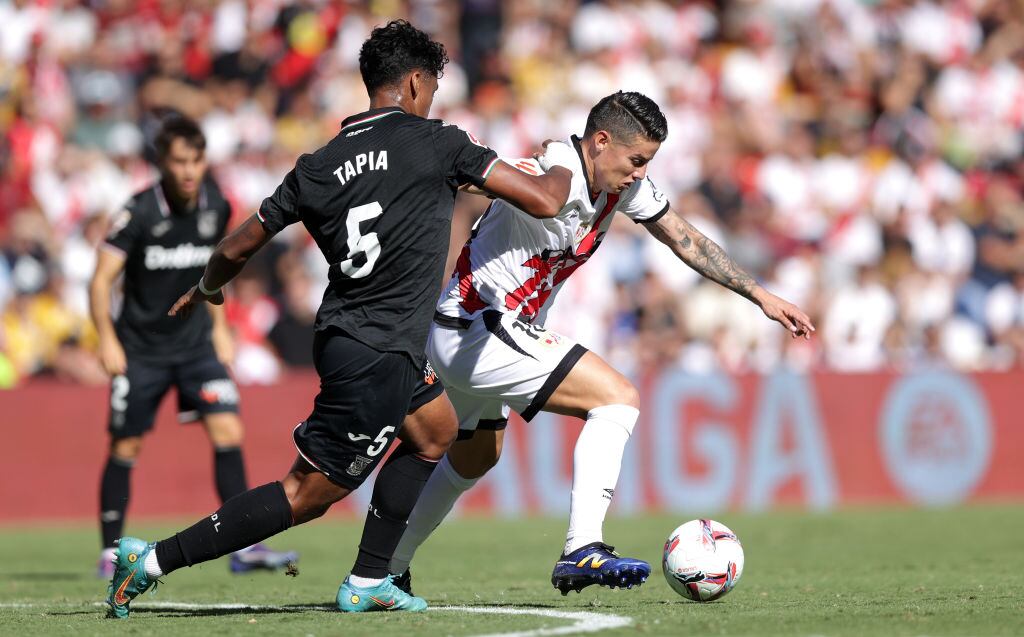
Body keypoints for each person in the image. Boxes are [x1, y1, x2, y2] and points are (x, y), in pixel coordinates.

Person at [104, 19, 571, 619]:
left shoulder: (317, 164)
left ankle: (370, 577)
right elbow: (546, 201)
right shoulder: (438, 142)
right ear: (411, 83)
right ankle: (150, 562)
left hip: (353, 336)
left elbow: (235, 247)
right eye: (430, 86)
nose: (432, 98)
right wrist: (563, 163)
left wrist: (207, 289)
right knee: (304, 495)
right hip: (379, 349)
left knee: (435, 431)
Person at [381, 92, 815, 598]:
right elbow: (475, 174)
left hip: (473, 334)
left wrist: (759, 294)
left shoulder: (619, 188)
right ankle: (581, 547)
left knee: (475, 456)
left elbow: (684, 238)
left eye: (648, 163)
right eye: (636, 160)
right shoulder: (552, 169)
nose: (639, 173)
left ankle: (386, 569)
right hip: (479, 326)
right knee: (617, 398)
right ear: (601, 141)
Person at [90, 116, 297, 579]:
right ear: (161, 163)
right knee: (127, 444)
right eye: (179, 161)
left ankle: (246, 546)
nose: (188, 171)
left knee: (228, 431)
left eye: (196, 160)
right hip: (140, 350)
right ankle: (109, 551)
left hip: (196, 347)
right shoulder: (136, 212)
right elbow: (101, 280)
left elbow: (214, 274)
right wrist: (106, 338)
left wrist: (221, 329)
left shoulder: (215, 205)